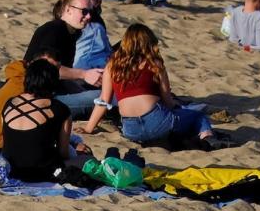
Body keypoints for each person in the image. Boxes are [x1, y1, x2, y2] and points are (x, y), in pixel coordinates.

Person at [83, 24, 224, 150]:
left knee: (169, 125)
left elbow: (103, 101)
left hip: (131, 129)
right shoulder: (154, 63)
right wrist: (176, 107)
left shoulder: (112, 66)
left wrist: (89, 128)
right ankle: (208, 139)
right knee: (198, 116)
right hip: (156, 119)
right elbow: (167, 100)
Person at [24, 0, 103, 117]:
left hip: (49, 92)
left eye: (90, 12)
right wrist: (84, 74)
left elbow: (62, 77)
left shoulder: (70, 32)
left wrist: (80, 91)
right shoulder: (54, 30)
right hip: (37, 100)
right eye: (84, 11)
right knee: (103, 97)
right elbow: (47, 69)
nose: (88, 16)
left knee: (98, 92)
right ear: (68, 9)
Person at [1, 60, 74, 182]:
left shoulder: (10, 103)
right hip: (42, 173)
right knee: (84, 159)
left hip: (11, 169)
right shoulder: (60, 110)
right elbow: (63, 153)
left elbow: (7, 141)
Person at [0, 49, 60, 151]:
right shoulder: (23, 88)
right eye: (45, 66)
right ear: (33, 65)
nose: (51, 72)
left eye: (55, 69)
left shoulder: (20, 79)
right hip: (2, 146)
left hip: (1, 142)